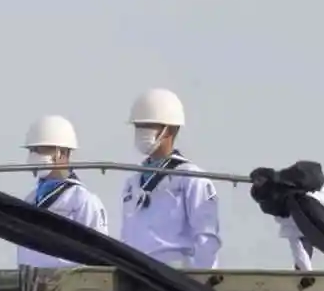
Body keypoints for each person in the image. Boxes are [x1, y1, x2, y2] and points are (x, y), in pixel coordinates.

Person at [120, 88, 221, 269]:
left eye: (149, 125)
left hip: (174, 278)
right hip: (136, 276)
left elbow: (207, 239)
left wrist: (201, 285)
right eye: (138, 126)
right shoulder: (133, 182)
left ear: (170, 129)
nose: (141, 132)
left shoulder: (192, 178)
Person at [17, 115, 109, 267]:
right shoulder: (29, 200)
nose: (33, 156)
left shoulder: (83, 201)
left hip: (68, 287)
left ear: (63, 153)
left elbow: (99, 255)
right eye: (31, 150)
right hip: (30, 285)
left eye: (40, 150)